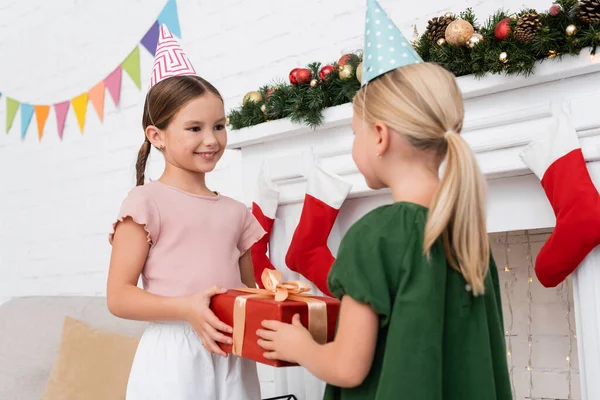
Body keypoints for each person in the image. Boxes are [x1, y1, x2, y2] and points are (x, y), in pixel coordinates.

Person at [256, 1, 512, 399]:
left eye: (355, 135)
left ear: (379, 136)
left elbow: (347, 367)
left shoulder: (375, 236)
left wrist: (300, 347)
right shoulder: (467, 235)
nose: (355, 146)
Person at [107, 25, 264, 400]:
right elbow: (119, 297)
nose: (211, 139)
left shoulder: (237, 213)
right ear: (156, 136)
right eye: (194, 128)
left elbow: (249, 290)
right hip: (174, 356)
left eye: (220, 126)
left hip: (231, 353)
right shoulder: (145, 203)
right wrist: (186, 308)